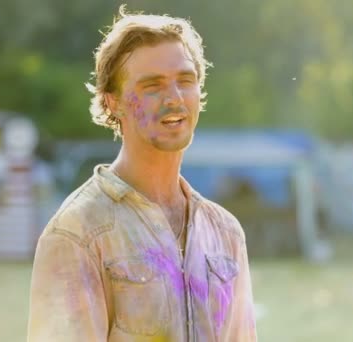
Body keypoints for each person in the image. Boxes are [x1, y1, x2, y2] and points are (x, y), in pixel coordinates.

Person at [27, 6, 257, 342]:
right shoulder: (78, 232)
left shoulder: (225, 233)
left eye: (185, 81)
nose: (174, 98)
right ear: (112, 103)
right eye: (152, 86)